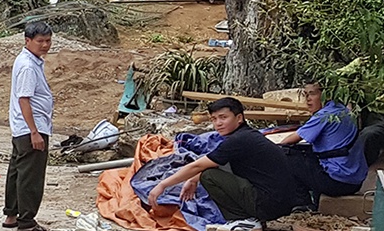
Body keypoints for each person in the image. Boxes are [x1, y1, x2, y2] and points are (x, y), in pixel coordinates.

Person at [154, 97, 308, 223]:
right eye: (214, 119)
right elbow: (217, 162)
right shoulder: (247, 135)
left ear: (239, 118)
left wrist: (162, 185)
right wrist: (194, 180)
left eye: (223, 117)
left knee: (209, 176)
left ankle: (243, 221)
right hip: (280, 202)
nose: (218, 123)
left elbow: (198, 165)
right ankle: (248, 219)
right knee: (208, 171)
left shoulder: (239, 140)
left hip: (268, 204)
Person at [270, 83, 369, 200]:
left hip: (337, 181)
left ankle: (303, 203)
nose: (308, 99)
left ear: (326, 95)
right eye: (305, 95)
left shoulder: (324, 115)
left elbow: (289, 141)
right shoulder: (342, 109)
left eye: (312, 94)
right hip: (355, 180)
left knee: (284, 155)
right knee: (303, 153)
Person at [4, 21, 54, 231]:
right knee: (31, 176)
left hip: (23, 127)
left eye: (48, 41)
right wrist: (34, 131)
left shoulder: (31, 61)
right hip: (31, 127)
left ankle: (11, 215)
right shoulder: (27, 66)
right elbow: (24, 99)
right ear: (28, 41)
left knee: (17, 170)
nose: (45, 45)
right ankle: (26, 221)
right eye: (40, 41)